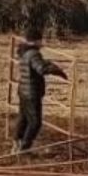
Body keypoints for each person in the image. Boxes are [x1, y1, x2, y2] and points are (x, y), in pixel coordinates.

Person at [14, 26, 68, 154]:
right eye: (40, 40)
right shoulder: (34, 53)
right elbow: (41, 68)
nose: (42, 43)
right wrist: (57, 70)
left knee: (24, 118)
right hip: (32, 92)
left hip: (23, 90)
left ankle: (17, 142)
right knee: (35, 123)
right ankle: (24, 148)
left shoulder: (23, 52)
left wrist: (48, 63)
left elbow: (38, 65)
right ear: (37, 40)